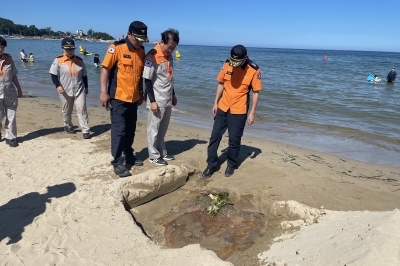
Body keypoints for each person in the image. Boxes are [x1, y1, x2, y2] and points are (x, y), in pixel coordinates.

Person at [202, 45, 262, 178]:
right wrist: (215, 103)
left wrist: (252, 112)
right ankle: (211, 164)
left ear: (246, 57)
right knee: (214, 136)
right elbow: (221, 83)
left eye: (238, 62)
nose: (234, 65)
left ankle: (231, 164)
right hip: (223, 106)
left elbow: (256, 92)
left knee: (234, 140)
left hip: (239, 109)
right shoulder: (227, 64)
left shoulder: (254, 69)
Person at [99, 21, 148, 178]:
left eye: (142, 40)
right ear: (129, 34)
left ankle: (129, 154)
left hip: (133, 99)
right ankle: (117, 161)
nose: (140, 42)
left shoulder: (141, 51)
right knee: (119, 130)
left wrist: (140, 92)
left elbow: (139, 75)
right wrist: (103, 92)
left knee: (131, 129)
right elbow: (105, 69)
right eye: (137, 39)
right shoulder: (116, 47)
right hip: (118, 98)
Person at [143, 29, 179, 166]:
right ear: (162, 42)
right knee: (153, 128)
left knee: (163, 127)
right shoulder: (152, 57)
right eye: (169, 47)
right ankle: (153, 155)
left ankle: (161, 150)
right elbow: (147, 80)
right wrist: (152, 101)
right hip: (157, 99)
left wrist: (173, 95)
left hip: (167, 97)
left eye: (174, 48)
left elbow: (169, 78)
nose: (171, 50)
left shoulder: (169, 56)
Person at [49, 38, 91, 139]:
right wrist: (57, 86)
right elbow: (53, 74)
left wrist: (86, 87)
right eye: (68, 49)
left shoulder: (80, 61)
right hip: (65, 90)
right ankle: (68, 125)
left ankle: (85, 130)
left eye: (72, 49)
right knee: (67, 110)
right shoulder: (58, 60)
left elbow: (84, 75)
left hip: (79, 89)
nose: (70, 51)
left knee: (82, 109)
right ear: (63, 49)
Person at [0, 37, 23, 147]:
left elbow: (13, 75)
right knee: (0, 115)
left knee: (11, 115)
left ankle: (11, 137)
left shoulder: (9, 59)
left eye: (2, 47)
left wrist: (19, 88)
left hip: (10, 92)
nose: (0, 49)